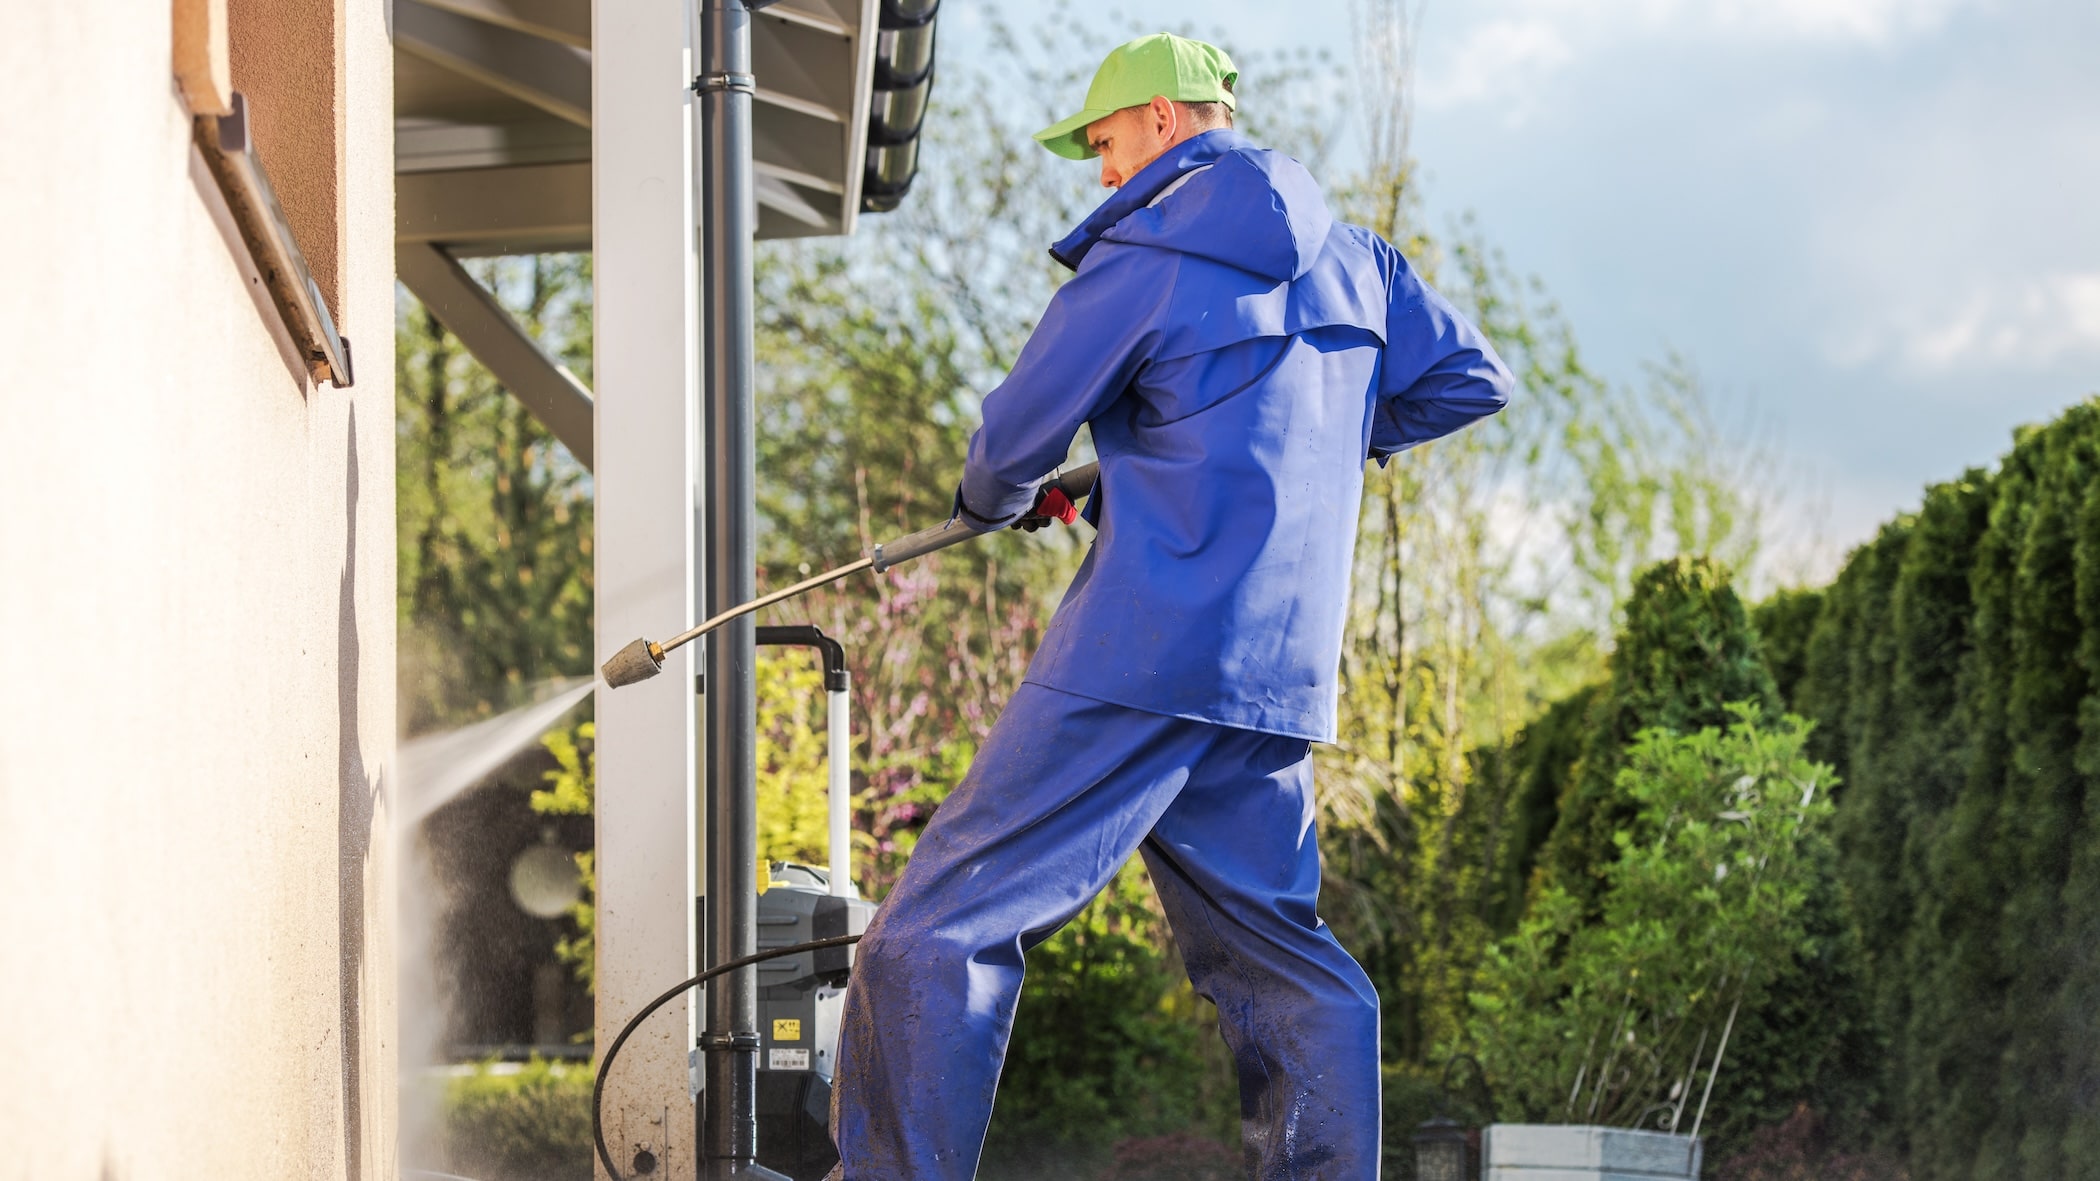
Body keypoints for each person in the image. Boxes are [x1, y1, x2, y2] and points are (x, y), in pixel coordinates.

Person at [828, 32, 1512, 1181]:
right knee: (1286, 964)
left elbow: (1009, 444)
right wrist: (1276, 449)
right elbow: (1468, 377)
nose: (1101, 173)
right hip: (1276, 678)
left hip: (1140, 654)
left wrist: (1002, 495)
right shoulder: (1361, 263)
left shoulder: (1145, 254)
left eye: (1102, 142)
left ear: (1163, 116)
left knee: (936, 928)